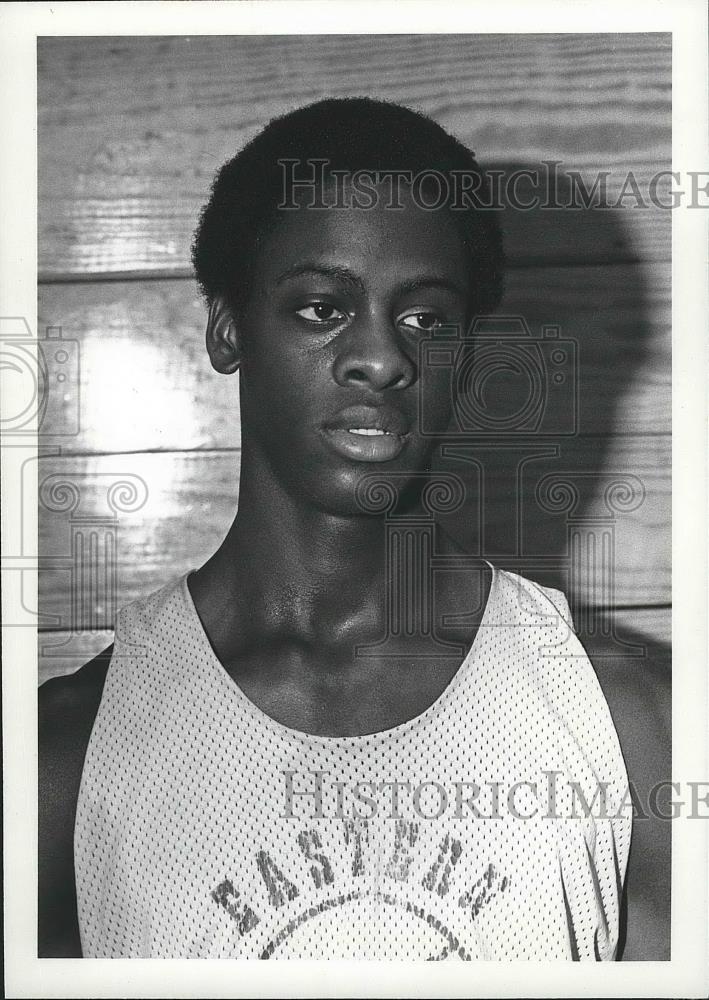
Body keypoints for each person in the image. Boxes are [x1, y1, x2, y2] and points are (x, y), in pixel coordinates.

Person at [39, 97, 669, 960]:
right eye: (321, 306)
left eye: (424, 318)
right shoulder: (66, 758)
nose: (380, 356)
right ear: (228, 329)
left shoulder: (629, 727)